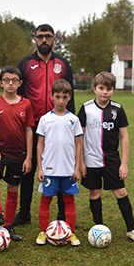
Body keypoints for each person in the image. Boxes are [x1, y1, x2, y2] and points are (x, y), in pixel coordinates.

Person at [14, 24, 75, 227]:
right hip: (33, 125)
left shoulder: (63, 64)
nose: (44, 40)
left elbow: (70, 96)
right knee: (28, 168)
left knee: (59, 167)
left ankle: (62, 213)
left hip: (58, 124)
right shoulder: (25, 63)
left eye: (48, 36)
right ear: (35, 39)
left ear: (54, 39)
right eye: (40, 37)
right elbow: (19, 96)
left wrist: (71, 122)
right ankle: (24, 212)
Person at [78, 72, 134, 245]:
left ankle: (131, 229)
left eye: (108, 89)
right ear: (95, 89)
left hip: (111, 161)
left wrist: (124, 164)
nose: (104, 92)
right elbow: (80, 138)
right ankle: (98, 228)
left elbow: (124, 137)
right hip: (90, 161)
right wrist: (81, 163)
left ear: (113, 90)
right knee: (94, 193)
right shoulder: (86, 108)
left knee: (121, 192)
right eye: (101, 88)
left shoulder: (117, 109)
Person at [0, 66, 34, 241]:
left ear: (19, 83)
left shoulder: (26, 104)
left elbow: (29, 130)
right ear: (0, 82)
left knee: (13, 188)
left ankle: (8, 225)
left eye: (14, 80)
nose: (10, 83)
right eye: (6, 80)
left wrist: (28, 157)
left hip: (19, 154)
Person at [35, 79, 83, 246]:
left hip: (68, 170)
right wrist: (40, 168)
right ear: (51, 96)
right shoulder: (45, 119)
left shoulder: (74, 120)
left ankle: (70, 233)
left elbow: (78, 145)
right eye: (57, 97)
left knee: (69, 201)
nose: (61, 101)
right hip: (49, 169)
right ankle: (42, 232)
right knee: (45, 200)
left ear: (69, 97)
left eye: (64, 97)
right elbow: (40, 144)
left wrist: (77, 168)